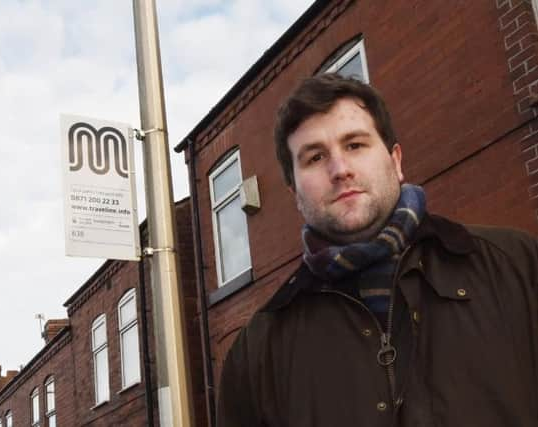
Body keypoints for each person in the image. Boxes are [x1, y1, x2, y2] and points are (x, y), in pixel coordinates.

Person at [216, 73, 538, 427]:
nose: (340, 170)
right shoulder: (258, 352)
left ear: (396, 161)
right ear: (294, 192)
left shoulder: (517, 267)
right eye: (315, 157)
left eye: (355, 145)